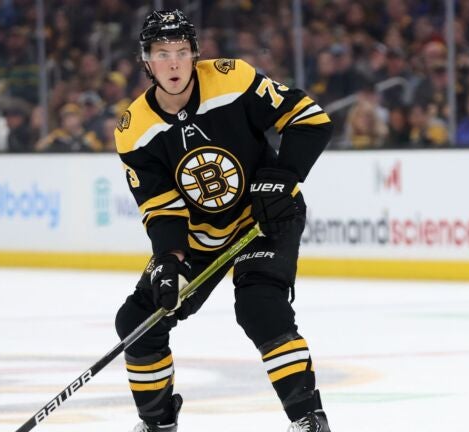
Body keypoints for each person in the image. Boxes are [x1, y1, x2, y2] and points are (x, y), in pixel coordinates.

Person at [114, 10, 333, 432]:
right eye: (162, 54)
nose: (174, 63)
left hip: (266, 217)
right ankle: (159, 424)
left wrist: (279, 180)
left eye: (181, 52)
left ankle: (308, 419)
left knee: (259, 306)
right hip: (199, 237)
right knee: (138, 322)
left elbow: (311, 121)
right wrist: (169, 261)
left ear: (195, 54)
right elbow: (161, 208)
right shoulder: (134, 129)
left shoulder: (233, 80)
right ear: (147, 61)